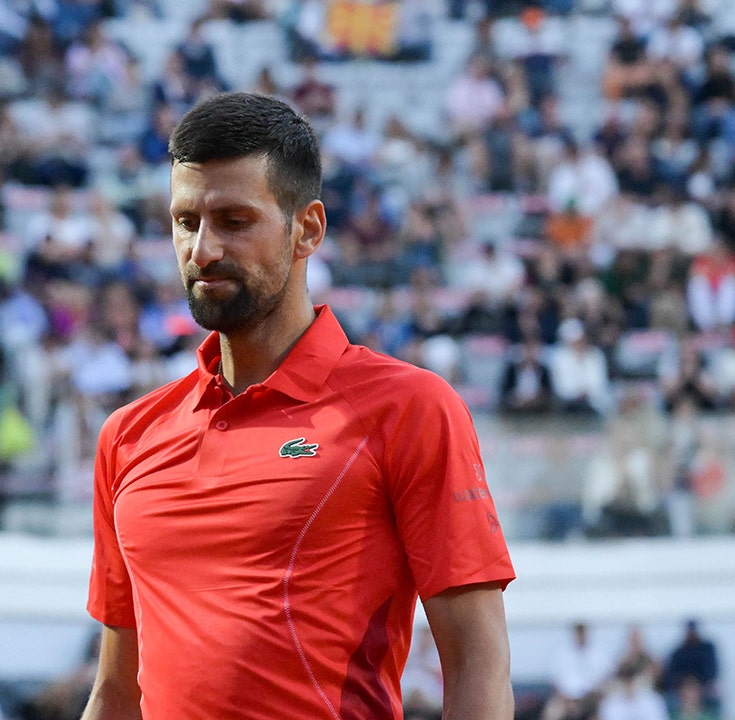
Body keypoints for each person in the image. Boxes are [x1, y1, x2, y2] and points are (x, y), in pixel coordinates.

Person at [82, 93, 515, 720]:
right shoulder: (128, 436)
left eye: (234, 221)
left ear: (307, 228)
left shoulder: (409, 408)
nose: (202, 250)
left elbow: (478, 662)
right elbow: (116, 692)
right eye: (186, 221)